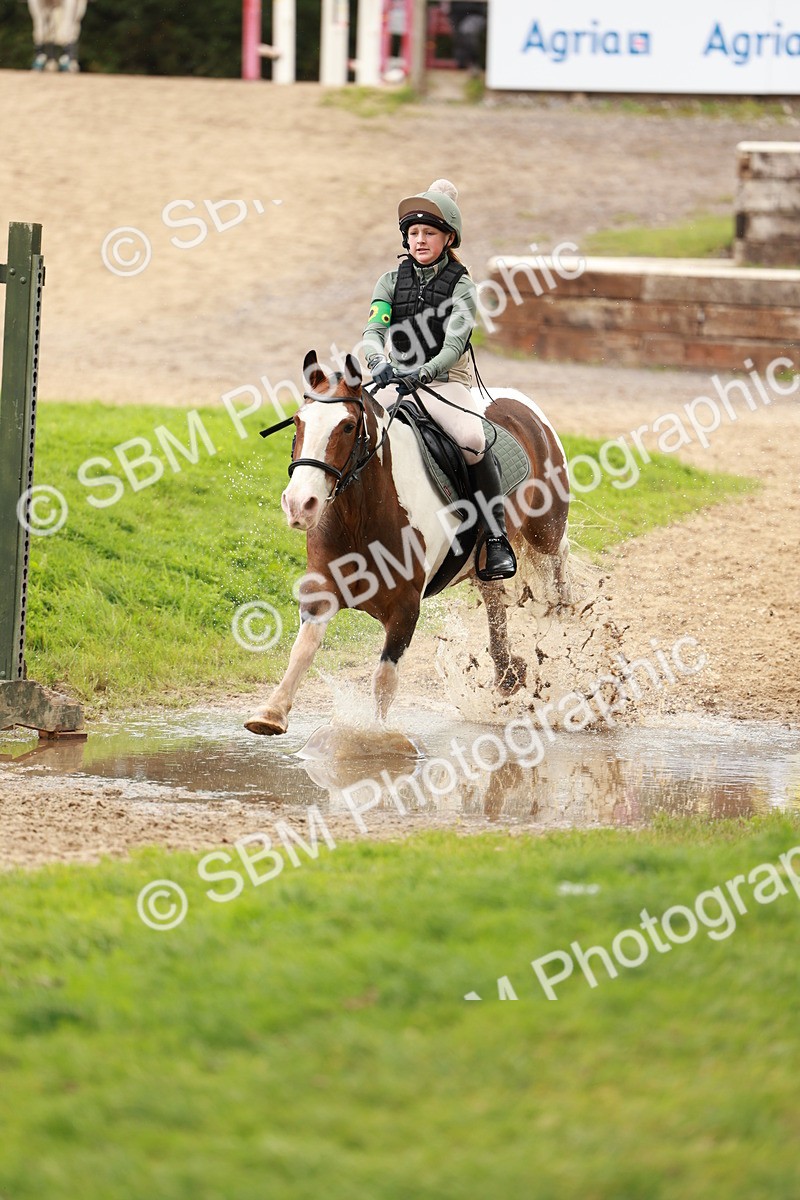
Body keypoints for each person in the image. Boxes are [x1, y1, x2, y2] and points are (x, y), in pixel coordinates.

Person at [362, 178, 516, 581]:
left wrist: (424, 372)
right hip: (397, 382)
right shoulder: (389, 282)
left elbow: (453, 345)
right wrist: (377, 361)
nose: (419, 240)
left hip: (446, 384)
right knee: (353, 426)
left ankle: (496, 537)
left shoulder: (463, 287)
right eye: (413, 232)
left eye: (429, 233)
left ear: (449, 238)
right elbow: (373, 331)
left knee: (472, 440)